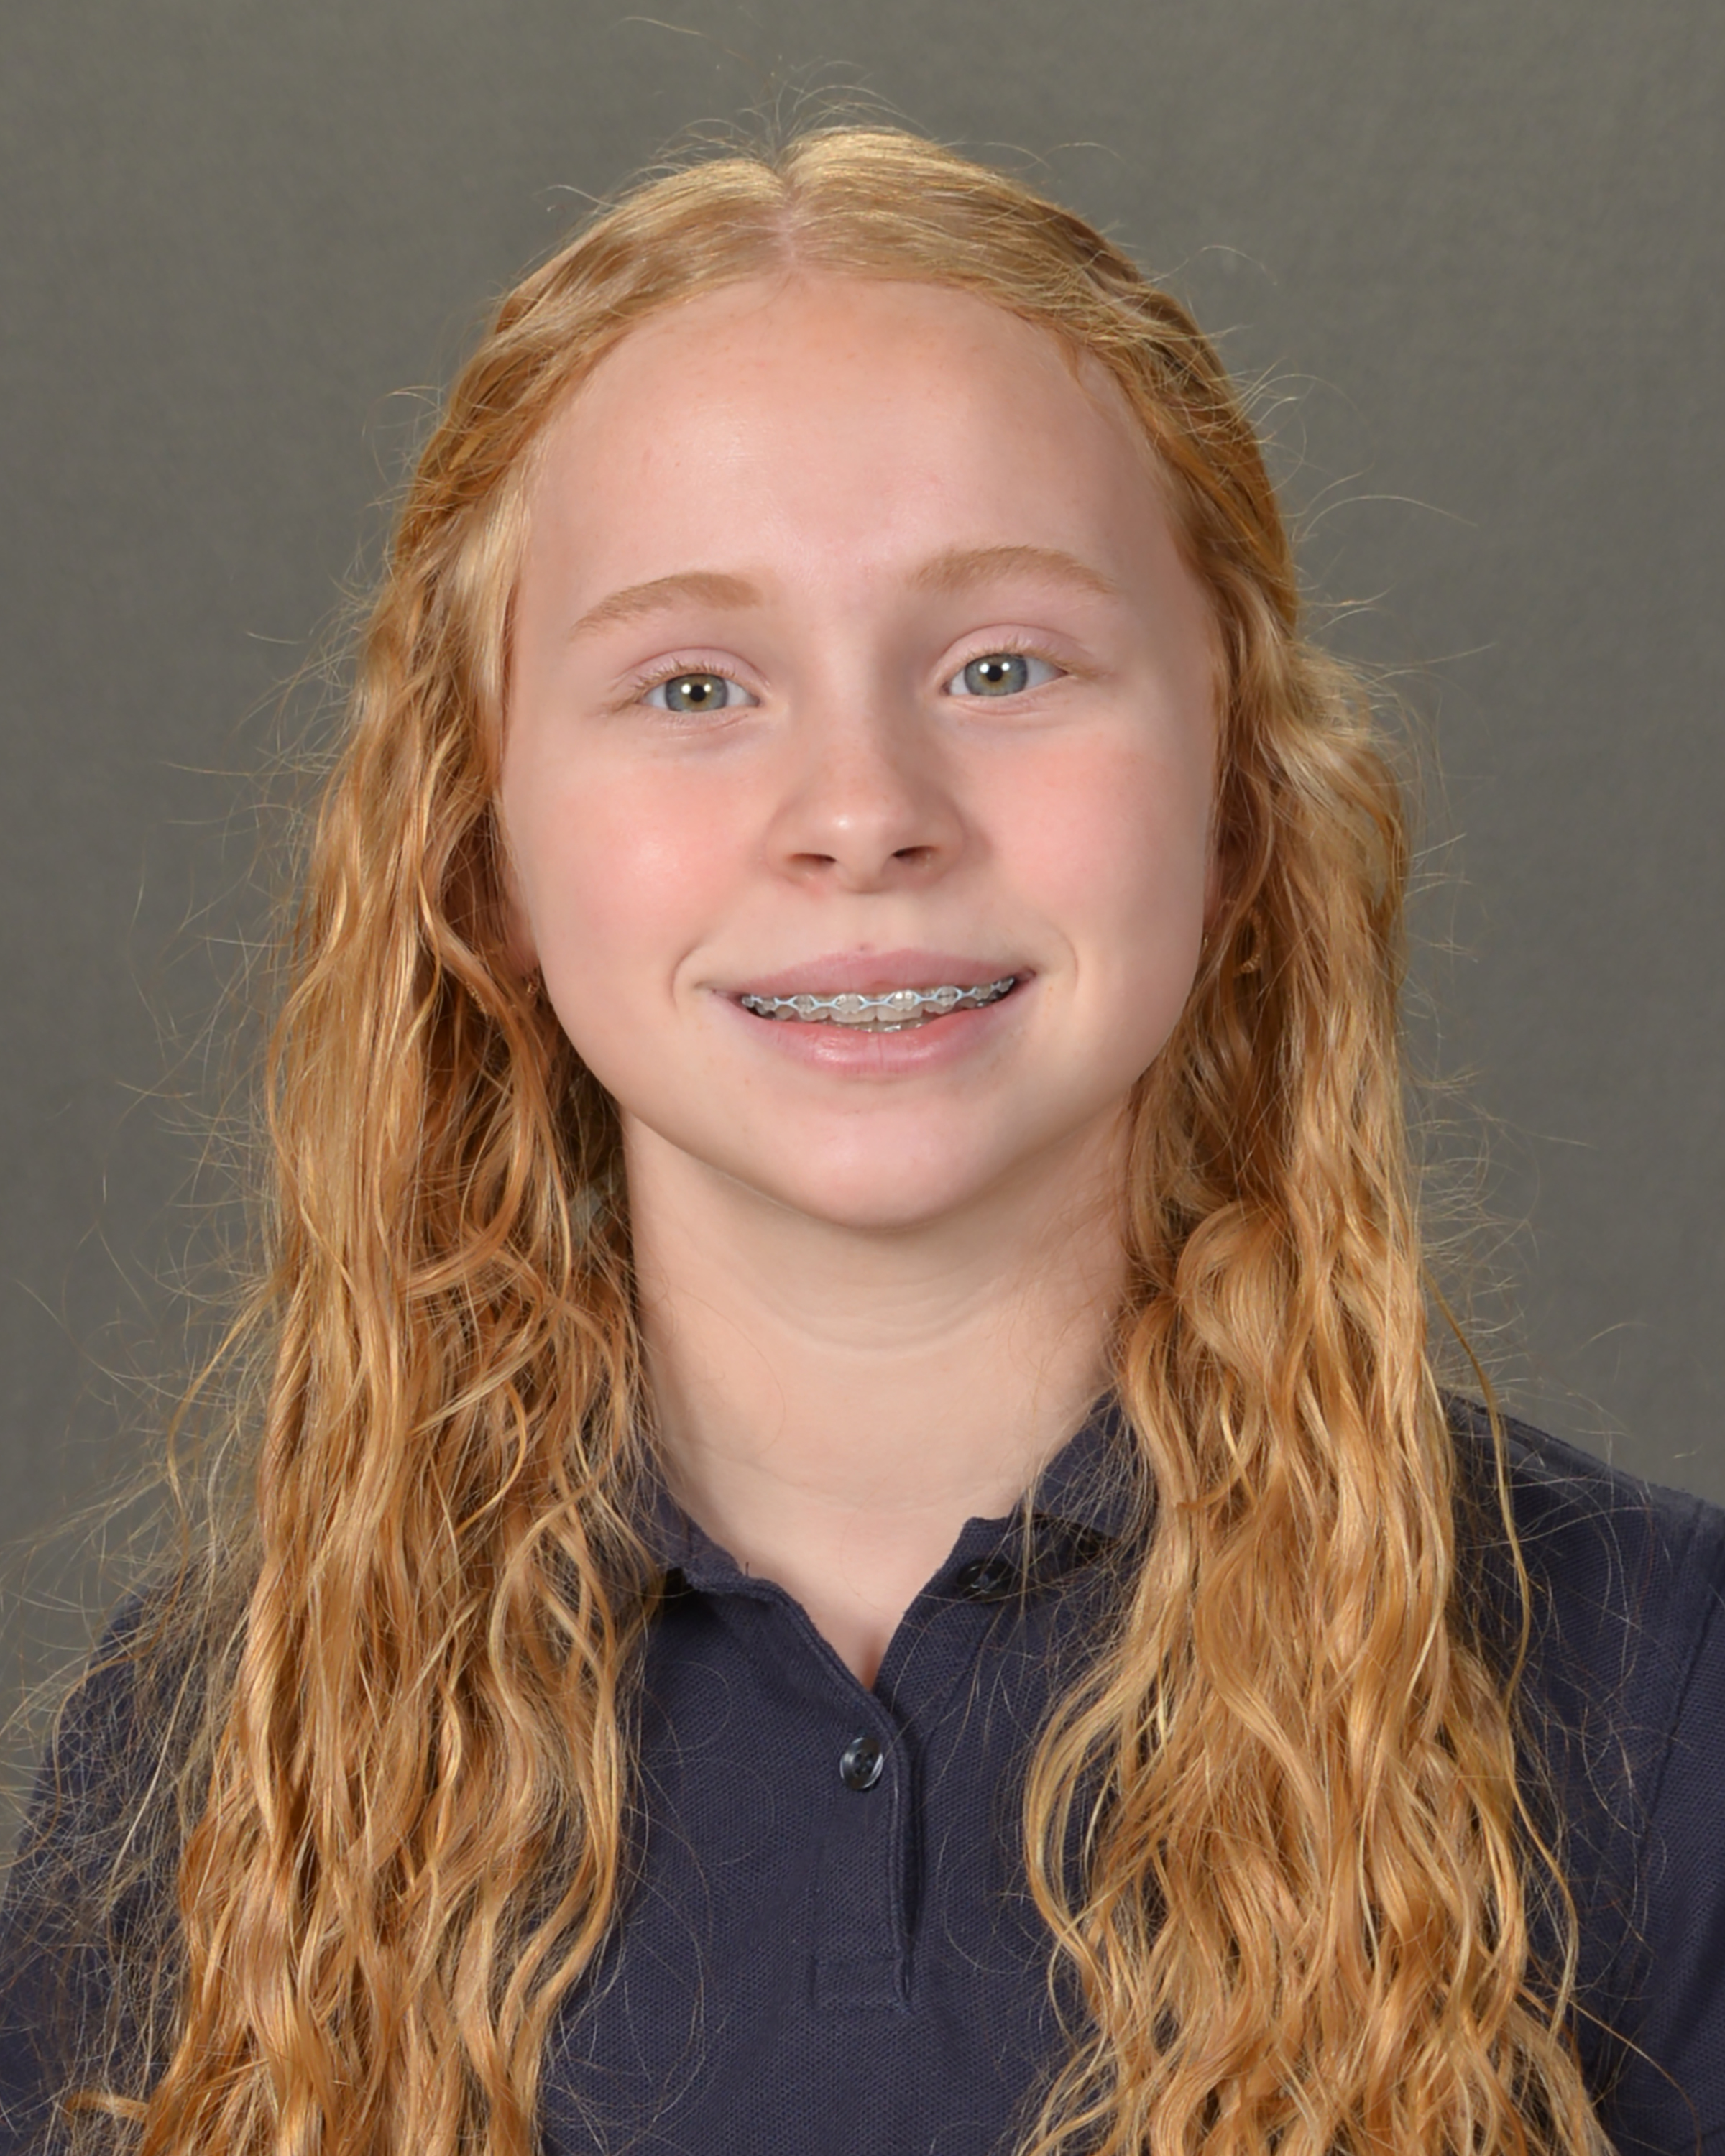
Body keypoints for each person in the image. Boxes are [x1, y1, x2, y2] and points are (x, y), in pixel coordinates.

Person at [1, 124, 1721, 2156]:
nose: (861, 810)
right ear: (479, 857)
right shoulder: (226, 1763)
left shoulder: (1656, 1688)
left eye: (1002, 665)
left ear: (1241, 801)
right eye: (692, 686)